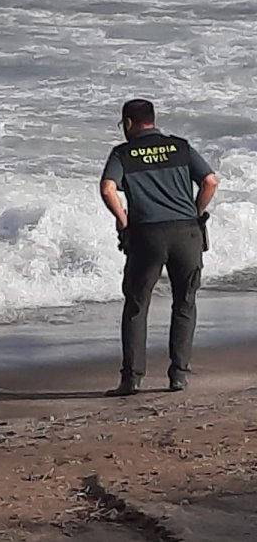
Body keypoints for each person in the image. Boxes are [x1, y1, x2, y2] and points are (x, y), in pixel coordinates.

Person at [100, 99, 219, 396]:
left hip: (147, 236)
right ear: (152, 121)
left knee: (137, 305)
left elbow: (107, 188)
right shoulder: (180, 147)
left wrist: (123, 220)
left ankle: (132, 379)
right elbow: (210, 181)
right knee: (185, 302)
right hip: (186, 234)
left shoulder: (123, 153)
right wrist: (194, 212)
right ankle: (178, 375)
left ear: (128, 123)